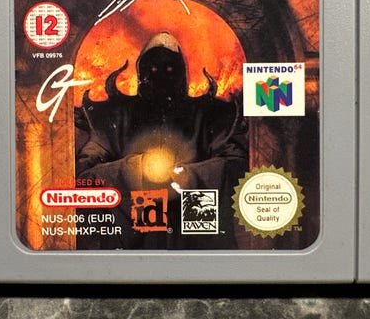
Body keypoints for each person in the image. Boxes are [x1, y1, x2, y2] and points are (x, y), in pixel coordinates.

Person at [74, 32, 247, 249]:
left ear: (181, 72)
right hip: (136, 232)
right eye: (153, 69)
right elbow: (85, 174)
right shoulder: (117, 116)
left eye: (170, 69)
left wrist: (188, 177)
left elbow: (237, 166)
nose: (161, 77)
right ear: (142, 72)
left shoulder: (207, 114)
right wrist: (136, 170)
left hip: (195, 225)